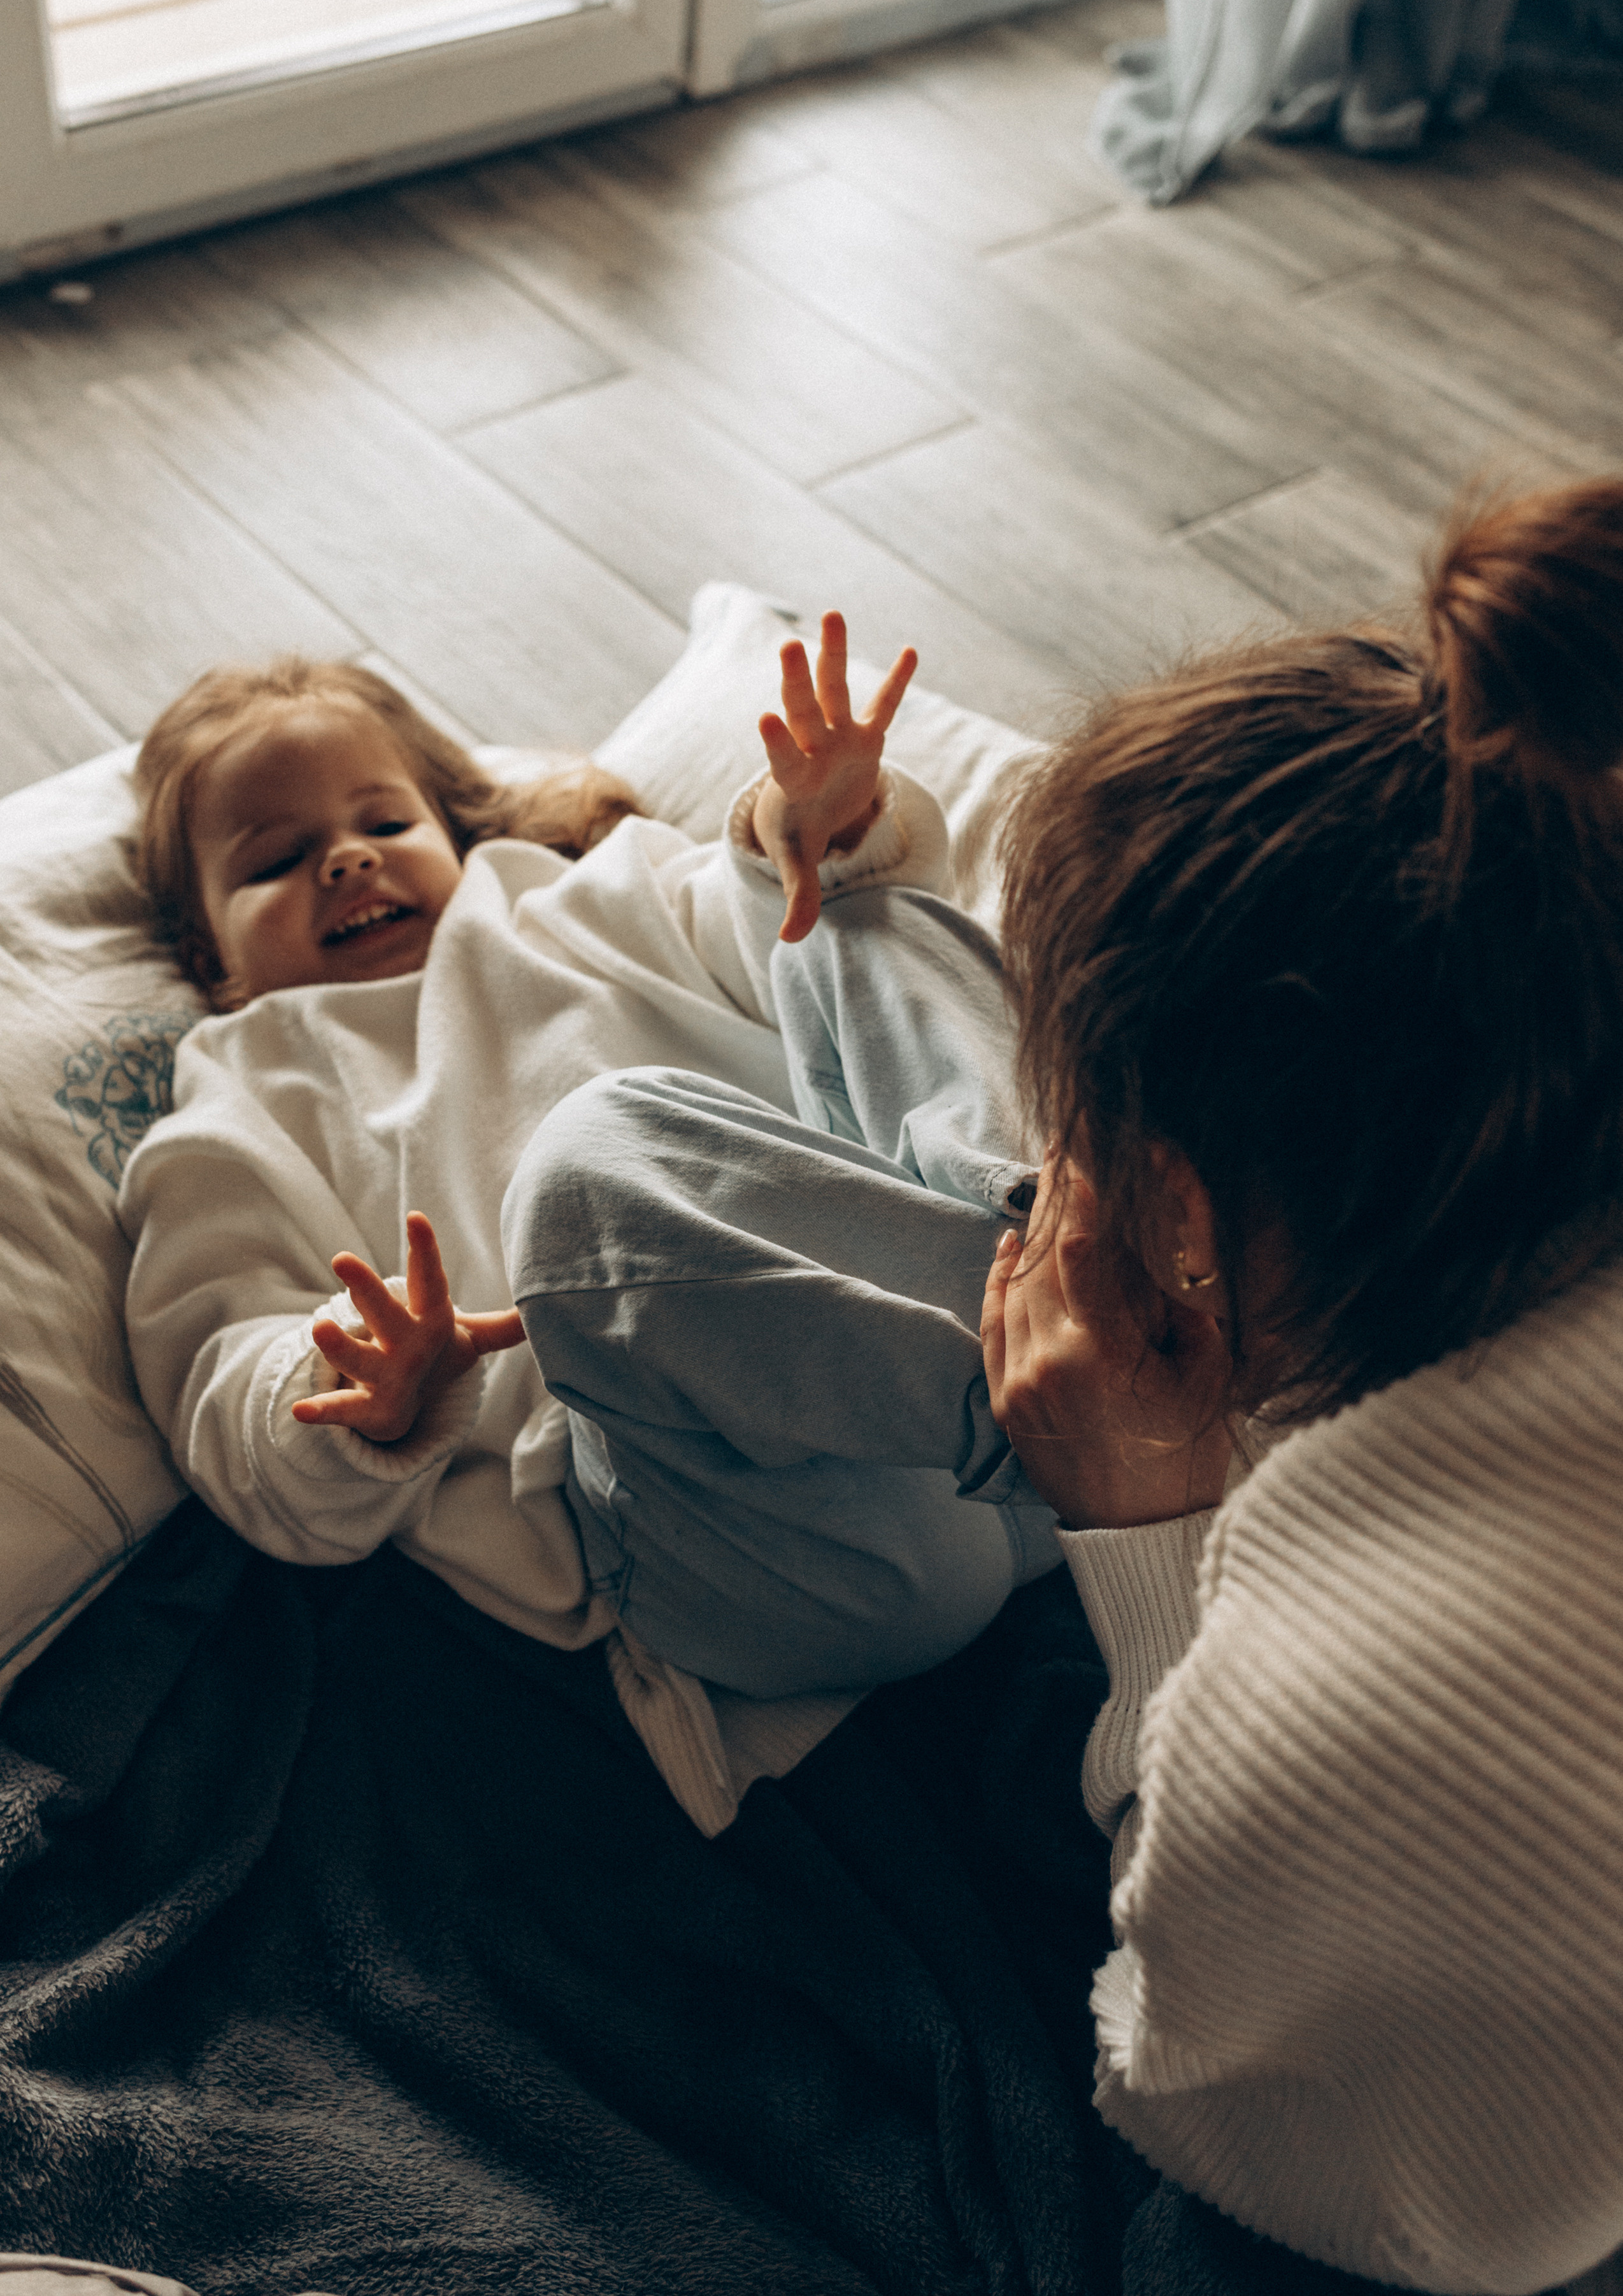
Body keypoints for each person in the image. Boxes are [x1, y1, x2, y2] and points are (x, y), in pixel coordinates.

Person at [491, 478, 1623, 2294]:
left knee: (592, 1164)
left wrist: (1136, 1518)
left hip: (926, 1546)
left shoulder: (1358, 1693)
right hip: (1139, 1344)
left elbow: (1195, 2086)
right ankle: (970, 1151)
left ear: (1183, 1211)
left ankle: (1009, 1332)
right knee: (917, 1022)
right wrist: (823, 865)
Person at [118, 620, 1060, 1833]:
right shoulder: (236, 1105)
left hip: (996, 1346)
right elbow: (221, 1370)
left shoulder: (592, 897)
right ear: (206, 949)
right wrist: (355, 1389)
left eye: (383, 822)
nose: (347, 861)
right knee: (581, 1182)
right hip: (800, 1533)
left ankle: (1068, 1264)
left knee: (858, 917)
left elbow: (781, 939)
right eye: (279, 860)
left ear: (456, 827)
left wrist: (816, 834)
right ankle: (1074, 1374)